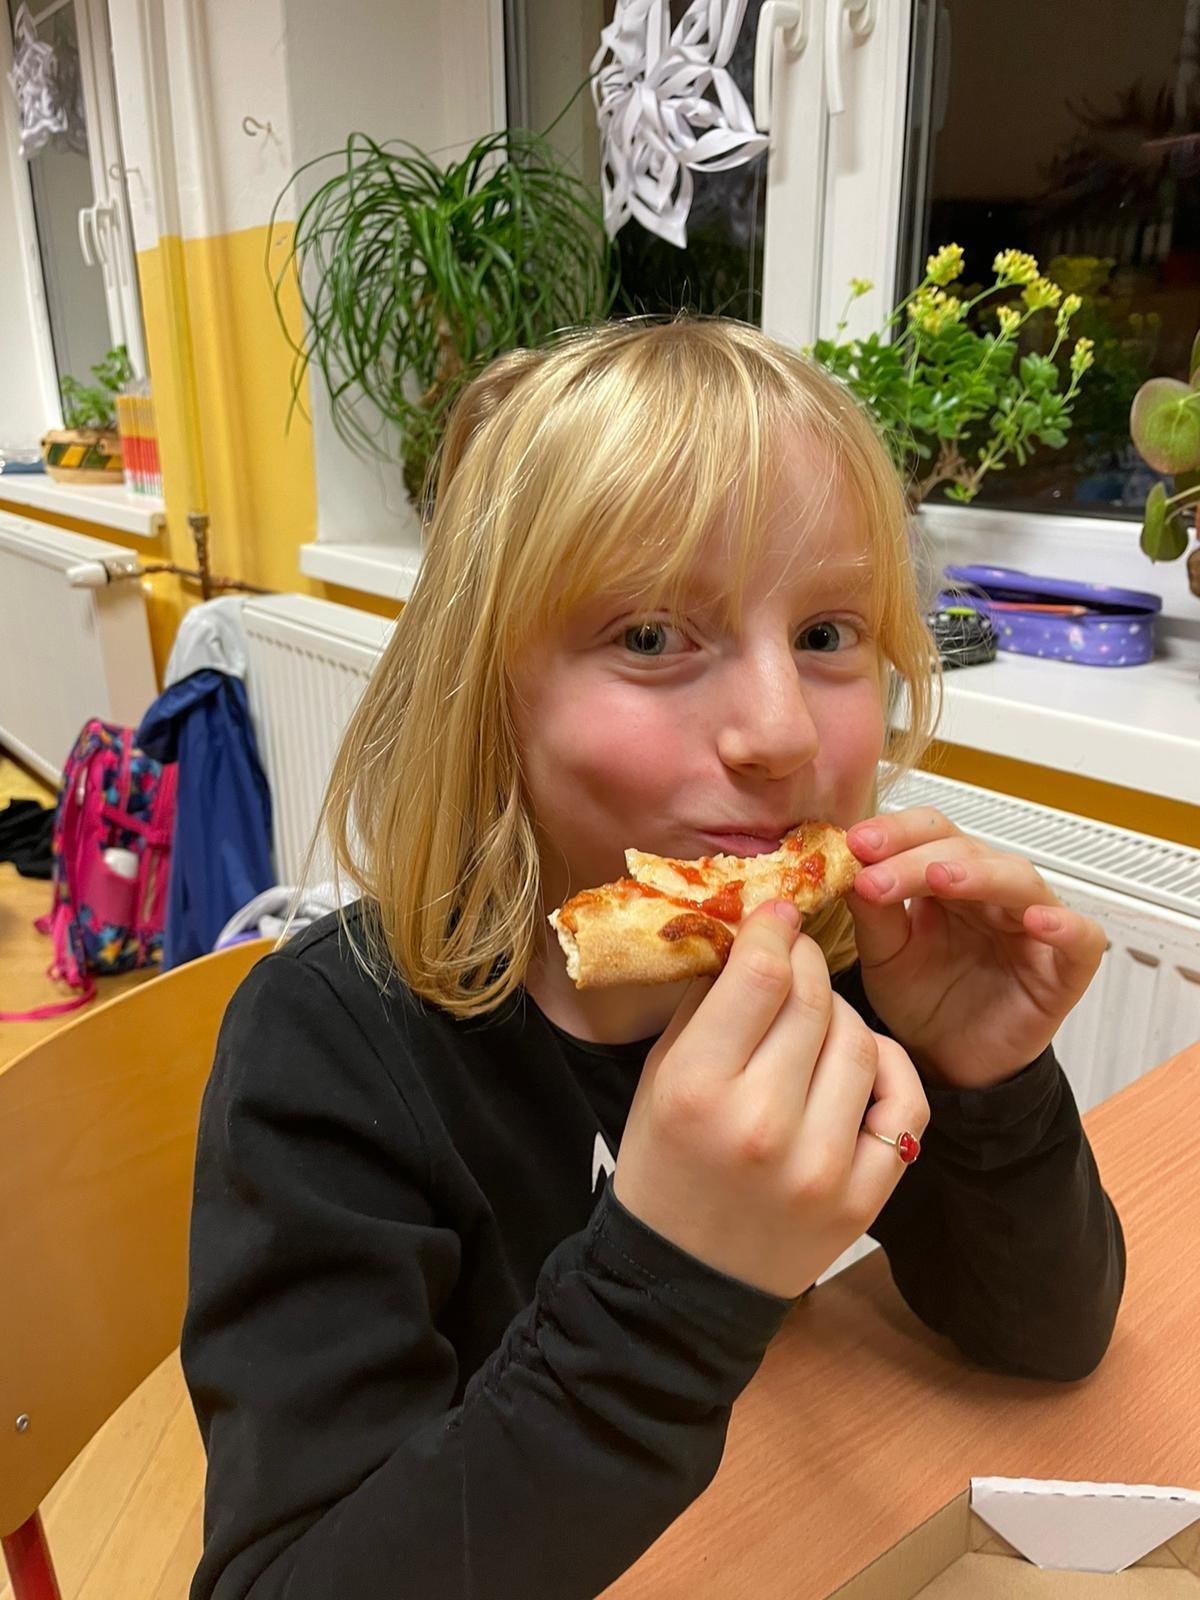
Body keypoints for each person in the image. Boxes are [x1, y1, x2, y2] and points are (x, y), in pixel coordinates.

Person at [182, 319, 1125, 1600]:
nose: (781, 734)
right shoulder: (329, 1049)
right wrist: (673, 1276)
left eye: (828, 632)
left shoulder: (841, 974)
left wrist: (986, 1083)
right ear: (487, 691)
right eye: (649, 636)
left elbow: (1047, 1338)